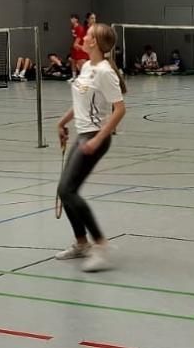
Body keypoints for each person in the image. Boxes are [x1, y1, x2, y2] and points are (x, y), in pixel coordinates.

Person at [55, 23, 127, 272]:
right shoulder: (87, 67)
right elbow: (81, 103)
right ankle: (82, 243)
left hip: (95, 137)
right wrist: (63, 122)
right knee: (65, 192)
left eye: (87, 35)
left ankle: (101, 245)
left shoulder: (105, 72)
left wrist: (97, 139)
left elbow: (120, 110)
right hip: (82, 134)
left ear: (94, 42)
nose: (83, 37)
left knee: (69, 191)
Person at [70, 14, 89, 81]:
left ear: (76, 19)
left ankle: (83, 77)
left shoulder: (80, 28)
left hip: (80, 48)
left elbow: (79, 38)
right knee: (73, 61)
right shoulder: (72, 27)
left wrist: (76, 45)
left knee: (81, 63)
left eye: (73, 18)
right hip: (75, 48)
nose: (71, 20)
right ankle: (74, 77)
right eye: (71, 18)